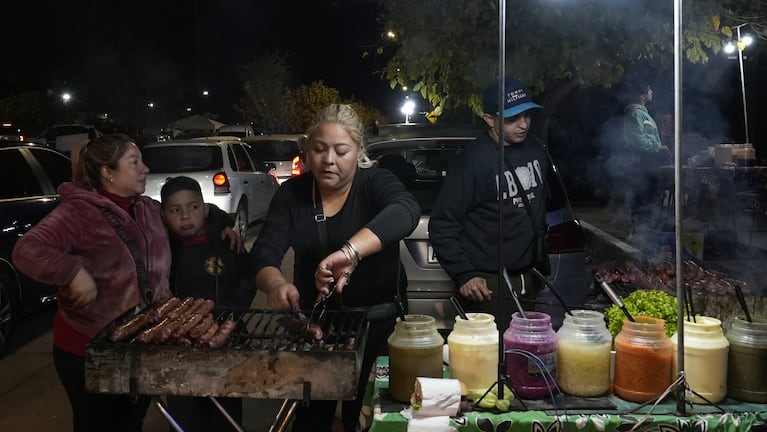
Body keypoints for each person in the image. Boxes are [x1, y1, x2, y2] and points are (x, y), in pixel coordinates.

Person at [250, 103, 420, 432]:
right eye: (319, 149)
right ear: (307, 150)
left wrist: (351, 252)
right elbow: (263, 253)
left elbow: (406, 210)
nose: (329, 160)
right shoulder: (293, 193)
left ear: (359, 152)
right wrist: (275, 286)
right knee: (312, 420)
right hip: (316, 329)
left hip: (377, 327)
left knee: (368, 418)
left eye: (341, 151)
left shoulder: (374, 183)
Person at [11, 133, 172, 432]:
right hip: (87, 348)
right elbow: (27, 250)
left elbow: (185, 218)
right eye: (134, 162)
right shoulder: (76, 213)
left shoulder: (148, 209)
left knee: (131, 423)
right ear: (108, 172)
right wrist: (72, 272)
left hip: (141, 343)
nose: (145, 168)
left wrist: (222, 225)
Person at [428, 77, 550, 325]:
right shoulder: (473, 162)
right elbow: (442, 223)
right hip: (488, 284)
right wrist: (464, 274)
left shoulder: (535, 147)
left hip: (530, 276)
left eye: (527, 116)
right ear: (489, 119)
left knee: (525, 353)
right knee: (488, 359)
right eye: (512, 118)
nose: (523, 124)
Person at [159, 175, 253, 431]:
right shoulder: (164, 249)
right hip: (178, 344)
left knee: (226, 409)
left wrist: (230, 313)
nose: (186, 216)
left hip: (226, 339)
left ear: (205, 207)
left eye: (193, 207)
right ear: (163, 214)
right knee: (185, 411)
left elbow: (247, 277)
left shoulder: (225, 242)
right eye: (175, 210)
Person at [621, 81, 671, 226]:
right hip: (641, 163)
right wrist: (659, 147)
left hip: (649, 163)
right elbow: (637, 141)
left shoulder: (644, 113)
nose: (652, 92)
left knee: (650, 198)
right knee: (642, 197)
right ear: (642, 95)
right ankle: (639, 233)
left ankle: (647, 232)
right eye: (649, 90)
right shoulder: (635, 113)